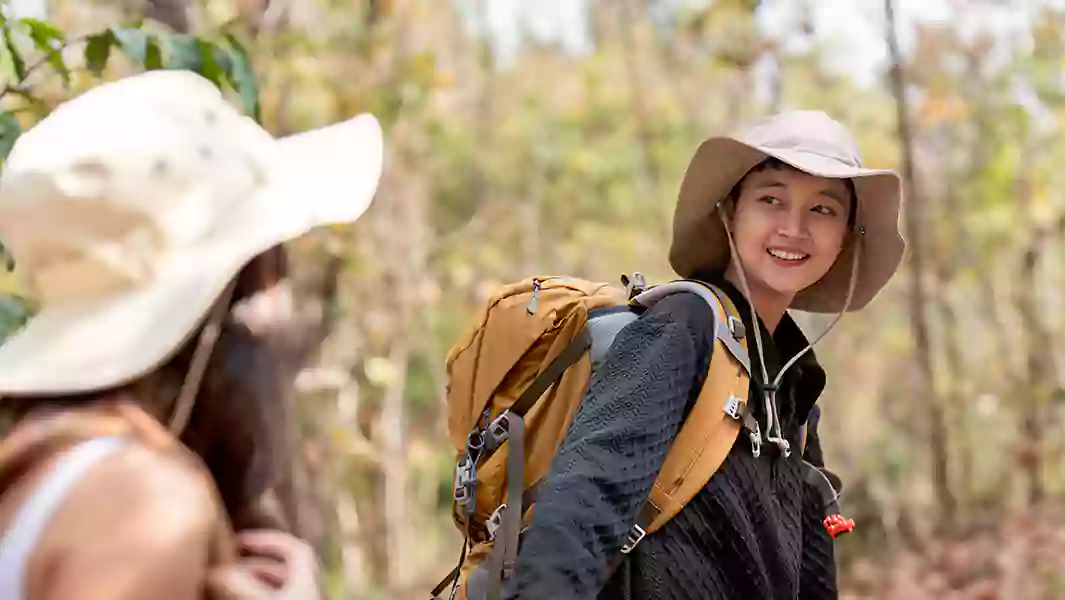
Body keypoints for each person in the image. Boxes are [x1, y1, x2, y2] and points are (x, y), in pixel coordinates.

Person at [0, 69, 384, 599]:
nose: (285, 315)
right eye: (273, 279)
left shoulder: (39, 465)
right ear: (224, 305)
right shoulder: (143, 501)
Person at [504, 110, 905, 599]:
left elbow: (812, 575)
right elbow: (582, 507)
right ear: (730, 213)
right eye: (771, 200)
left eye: (822, 209)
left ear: (845, 238)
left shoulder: (797, 389)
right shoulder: (683, 327)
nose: (793, 228)